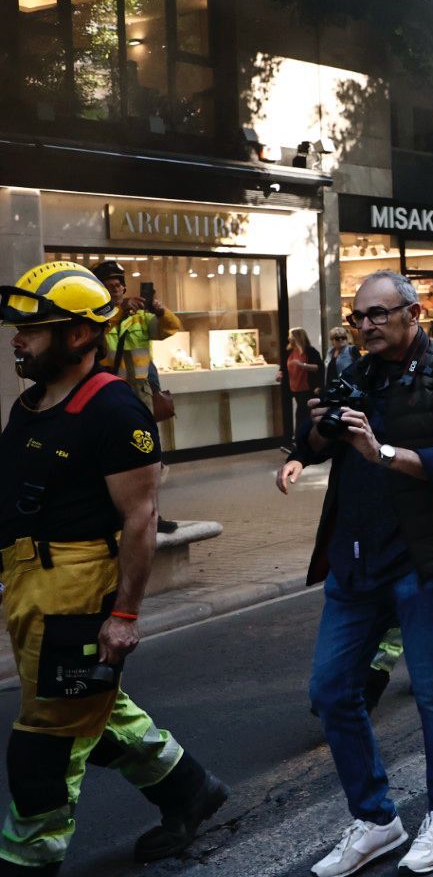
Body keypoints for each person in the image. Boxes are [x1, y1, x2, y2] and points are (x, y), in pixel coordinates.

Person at [0, 262, 228, 874]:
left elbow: (141, 519)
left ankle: (26, 860)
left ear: (78, 336)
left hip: (78, 593)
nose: (17, 339)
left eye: (33, 329)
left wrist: (125, 614)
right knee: (94, 710)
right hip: (30, 588)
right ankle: (189, 791)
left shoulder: (113, 410)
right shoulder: (32, 403)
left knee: (43, 744)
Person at [276, 271, 433, 876]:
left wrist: (383, 452)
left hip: (420, 557)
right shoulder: (354, 371)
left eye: (378, 315)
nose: (365, 325)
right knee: (331, 690)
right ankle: (375, 819)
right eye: (358, 316)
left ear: (412, 313)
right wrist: (304, 444)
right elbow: (316, 441)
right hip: (354, 558)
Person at [91, 261, 181, 416]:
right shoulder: (96, 318)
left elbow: (170, 329)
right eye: (109, 285)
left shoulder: (140, 316)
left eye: (118, 284)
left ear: (124, 287)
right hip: (110, 387)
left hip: (141, 389)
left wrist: (161, 312)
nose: (116, 288)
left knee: (145, 433)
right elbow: (99, 334)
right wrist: (120, 311)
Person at [281, 328, 321, 448]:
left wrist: (302, 365)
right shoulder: (290, 351)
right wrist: (280, 373)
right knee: (302, 414)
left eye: (290, 335)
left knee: (301, 414)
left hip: (307, 388)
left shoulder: (310, 351)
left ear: (297, 337)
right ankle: (302, 439)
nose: (288, 338)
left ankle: (300, 441)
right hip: (294, 388)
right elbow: (284, 367)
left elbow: (318, 367)